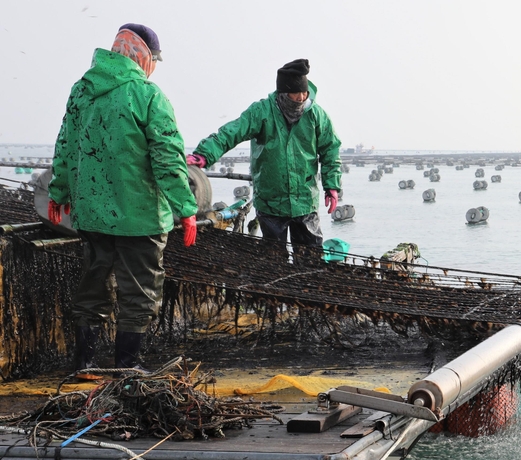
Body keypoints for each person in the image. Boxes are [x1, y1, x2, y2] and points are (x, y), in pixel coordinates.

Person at [48, 23, 198, 376]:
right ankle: (127, 368)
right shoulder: (148, 95)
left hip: (93, 215)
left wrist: (59, 192)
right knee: (139, 292)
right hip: (140, 216)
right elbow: (167, 158)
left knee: (93, 285)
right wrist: (186, 209)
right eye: (155, 60)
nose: (154, 67)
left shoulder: (82, 91)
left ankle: (83, 364)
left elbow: (66, 147)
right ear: (143, 56)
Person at [187, 59, 341, 256]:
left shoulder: (317, 115)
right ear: (283, 93)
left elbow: (331, 150)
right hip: (270, 202)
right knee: (273, 260)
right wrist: (204, 154)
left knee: (311, 259)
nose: (302, 98)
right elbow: (231, 132)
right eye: (296, 94)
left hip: (305, 200)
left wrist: (332, 186)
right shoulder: (261, 112)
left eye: (305, 93)